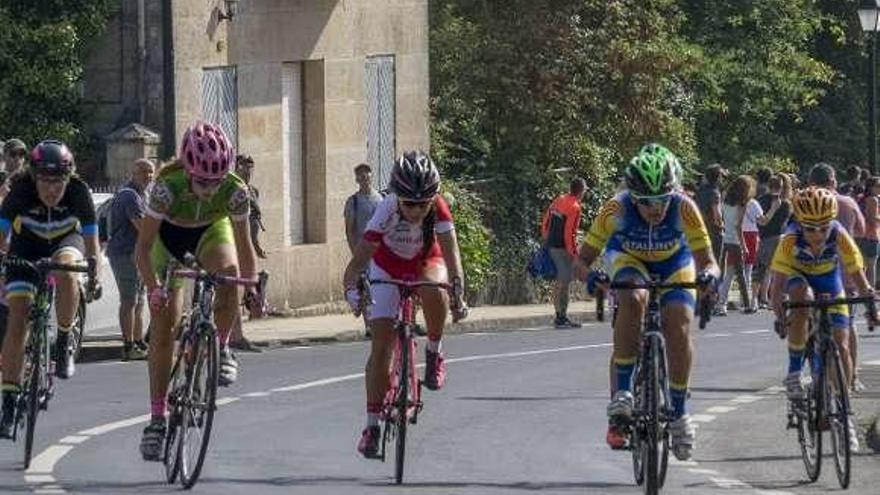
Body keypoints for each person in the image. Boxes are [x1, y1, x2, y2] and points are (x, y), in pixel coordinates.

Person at [576, 143, 719, 461]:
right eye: (645, 202)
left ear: (674, 192)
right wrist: (591, 276)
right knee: (633, 296)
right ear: (632, 196)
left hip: (674, 262)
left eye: (661, 201)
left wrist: (710, 275)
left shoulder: (684, 208)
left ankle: (680, 412)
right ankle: (624, 393)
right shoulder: (617, 209)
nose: (654, 209)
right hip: (629, 259)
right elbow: (582, 260)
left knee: (679, 320)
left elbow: (709, 261)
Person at [136, 121, 262, 461]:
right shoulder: (166, 187)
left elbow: (245, 248)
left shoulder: (235, 190)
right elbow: (143, 247)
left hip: (209, 232)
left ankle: (220, 347)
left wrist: (250, 289)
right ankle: (157, 418)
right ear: (189, 170)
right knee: (165, 327)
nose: (209, 188)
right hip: (168, 240)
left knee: (230, 273)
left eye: (216, 181)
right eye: (203, 181)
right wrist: (153, 290)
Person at [343, 151, 468, 458]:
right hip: (387, 266)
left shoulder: (438, 208)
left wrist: (458, 292)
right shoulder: (385, 209)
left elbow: (452, 257)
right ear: (397, 196)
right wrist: (350, 289)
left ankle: (434, 351)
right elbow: (359, 260)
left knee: (435, 289)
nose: (415, 210)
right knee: (381, 347)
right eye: (409, 203)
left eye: (422, 204)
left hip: (426, 260)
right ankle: (372, 426)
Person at [0, 140, 101, 438]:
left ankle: (65, 339)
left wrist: (93, 269)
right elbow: (2, 234)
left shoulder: (79, 192)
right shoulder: (20, 190)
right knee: (17, 318)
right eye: (45, 181)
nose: (52, 189)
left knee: (67, 270)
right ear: (34, 176)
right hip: (26, 247)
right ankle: (8, 399)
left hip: (65, 242)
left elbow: (91, 238)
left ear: (68, 178)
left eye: (58, 182)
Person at [769, 187, 872, 452]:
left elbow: (858, 277)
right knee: (801, 295)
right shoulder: (789, 239)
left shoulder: (839, 234)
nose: (817, 235)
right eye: (810, 228)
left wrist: (870, 304)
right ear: (799, 223)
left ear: (832, 222)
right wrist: (780, 311)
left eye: (823, 228)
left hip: (830, 281)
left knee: (842, 343)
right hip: (797, 279)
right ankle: (794, 372)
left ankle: (845, 412)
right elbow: (777, 287)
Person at [107, 159, 154, 361]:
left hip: (137, 254)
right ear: (133, 173)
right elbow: (143, 227)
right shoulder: (129, 196)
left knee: (139, 300)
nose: (148, 176)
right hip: (124, 253)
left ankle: (138, 341)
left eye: (151, 172)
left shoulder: (143, 195)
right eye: (143, 171)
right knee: (129, 300)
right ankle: (128, 345)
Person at [228, 154, 266, 352]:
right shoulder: (228, 189)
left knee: (246, 290)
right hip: (229, 245)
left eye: (250, 169)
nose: (248, 172)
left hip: (246, 245)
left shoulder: (252, 191)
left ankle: (236, 334)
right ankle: (233, 335)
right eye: (244, 168)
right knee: (231, 290)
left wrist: (256, 245)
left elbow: (254, 221)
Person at [541, 177, 587, 328]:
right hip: (561, 247)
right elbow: (570, 233)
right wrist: (574, 254)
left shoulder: (559, 199)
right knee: (564, 282)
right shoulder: (575, 207)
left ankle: (560, 316)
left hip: (552, 244)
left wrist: (545, 236)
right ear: (581, 191)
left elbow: (547, 219)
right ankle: (561, 317)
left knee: (559, 282)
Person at [716, 176, 755, 315]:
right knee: (741, 275)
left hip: (723, 239)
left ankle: (720, 305)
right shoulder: (742, 203)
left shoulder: (725, 197)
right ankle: (747, 305)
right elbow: (738, 226)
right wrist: (744, 246)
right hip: (734, 241)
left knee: (722, 273)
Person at [755, 175, 793, 307]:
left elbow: (758, 219)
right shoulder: (785, 203)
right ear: (781, 187)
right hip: (778, 236)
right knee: (774, 270)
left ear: (768, 186)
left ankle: (762, 297)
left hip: (762, 237)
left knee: (762, 269)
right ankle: (769, 297)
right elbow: (786, 220)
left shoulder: (760, 200)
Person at [344, 163, 383, 254]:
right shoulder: (353, 201)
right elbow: (349, 231)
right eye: (361, 176)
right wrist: (355, 253)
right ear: (357, 180)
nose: (365, 178)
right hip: (362, 252)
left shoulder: (380, 199)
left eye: (367, 175)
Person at [695, 164, 727, 263]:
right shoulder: (714, 192)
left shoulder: (700, 190)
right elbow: (717, 214)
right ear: (717, 177)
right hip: (714, 231)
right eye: (721, 176)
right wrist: (721, 226)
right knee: (715, 263)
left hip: (701, 230)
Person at [859, 177, 880, 287]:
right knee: (871, 267)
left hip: (862, 235)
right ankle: (870, 295)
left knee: (863, 266)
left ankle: (862, 292)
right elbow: (872, 219)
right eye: (878, 186)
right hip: (872, 236)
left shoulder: (861, 198)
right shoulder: (873, 200)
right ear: (871, 187)